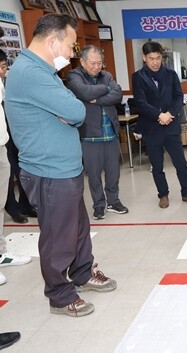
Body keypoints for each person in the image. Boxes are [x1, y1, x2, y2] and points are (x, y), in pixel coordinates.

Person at [5, 13, 116, 317]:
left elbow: (70, 110)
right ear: (52, 41)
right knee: (58, 236)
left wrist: (68, 111)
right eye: (69, 45)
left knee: (78, 229)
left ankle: (81, 273)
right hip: (48, 171)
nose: (71, 52)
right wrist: (69, 111)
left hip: (64, 168)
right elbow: (76, 111)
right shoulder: (31, 72)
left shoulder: (44, 70)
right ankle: (59, 294)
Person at [132, 41, 187, 208]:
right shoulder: (138, 77)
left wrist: (169, 114)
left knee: (180, 163)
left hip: (170, 126)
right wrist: (159, 115)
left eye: (158, 58)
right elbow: (141, 103)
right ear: (144, 58)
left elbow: (178, 97)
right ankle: (163, 195)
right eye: (151, 58)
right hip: (151, 128)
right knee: (157, 166)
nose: (155, 62)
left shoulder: (171, 74)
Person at [66, 45, 129, 220]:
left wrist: (97, 97)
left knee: (113, 171)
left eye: (99, 63)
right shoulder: (74, 76)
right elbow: (84, 92)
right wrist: (106, 90)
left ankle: (114, 201)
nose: (97, 67)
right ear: (82, 62)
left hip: (110, 131)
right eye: (93, 63)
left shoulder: (106, 75)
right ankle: (99, 204)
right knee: (93, 174)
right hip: (89, 134)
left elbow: (118, 95)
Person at [0, 50, 31, 286]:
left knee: (1, 203)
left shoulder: (2, 84)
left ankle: (1, 253)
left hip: (2, 145)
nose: (4, 71)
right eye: (0, 67)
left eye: (4, 66)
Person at [1, 38, 37, 224]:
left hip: (15, 132)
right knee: (7, 174)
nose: (2, 71)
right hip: (2, 137)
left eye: (4, 66)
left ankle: (25, 204)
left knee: (22, 169)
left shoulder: (9, 82)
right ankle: (12, 207)